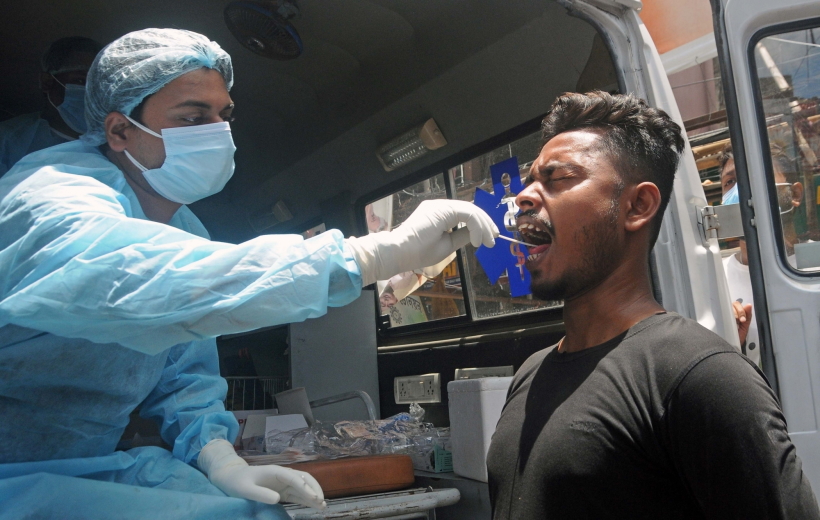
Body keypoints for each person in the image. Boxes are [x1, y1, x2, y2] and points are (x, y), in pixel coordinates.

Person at [0, 28, 498, 520]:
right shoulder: (50, 195)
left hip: (91, 468)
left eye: (224, 115)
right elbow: (139, 279)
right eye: (193, 117)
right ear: (119, 131)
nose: (216, 131)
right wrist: (367, 256)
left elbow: (184, 372)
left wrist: (221, 460)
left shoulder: (185, 228)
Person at [486, 91, 819, 519]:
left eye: (558, 179)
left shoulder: (701, 377)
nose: (525, 199)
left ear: (637, 206)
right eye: (530, 182)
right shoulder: (531, 373)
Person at [720, 142, 804, 364]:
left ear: (795, 193)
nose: (742, 190)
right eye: (730, 182)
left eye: (756, 175)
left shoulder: (813, 266)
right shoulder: (713, 279)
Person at [0, 36, 102, 177]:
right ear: (47, 82)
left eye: (98, 84)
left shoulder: (115, 143)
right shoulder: (8, 140)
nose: (91, 91)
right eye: (81, 80)